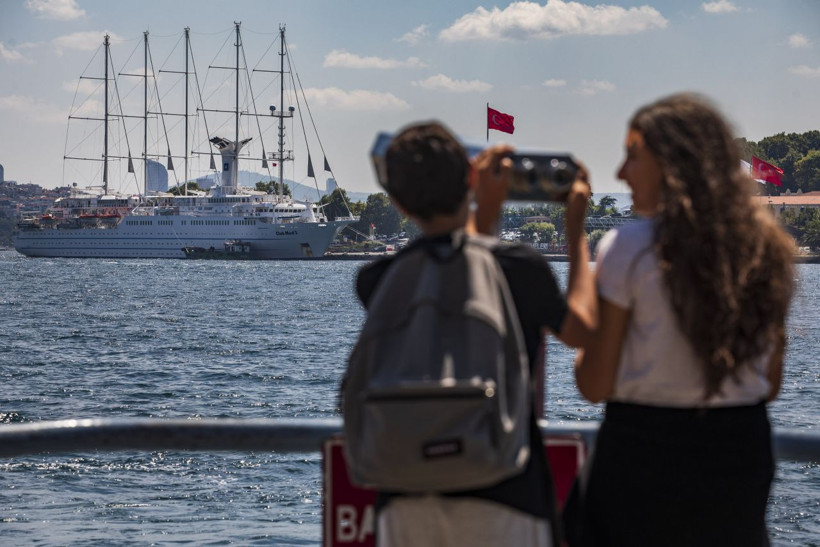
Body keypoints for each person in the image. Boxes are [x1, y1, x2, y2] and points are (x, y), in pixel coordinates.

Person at [565, 93, 794, 546]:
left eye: (633, 154)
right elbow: (769, 385)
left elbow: (593, 385)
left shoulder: (631, 247)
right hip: (740, 453)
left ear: (673, 162)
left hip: (643, 456)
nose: (620, 173)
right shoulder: (766, 249)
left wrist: (575, 236)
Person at [354, 121, 596, 547]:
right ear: (470, 178)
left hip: (405, 498)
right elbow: (580, 329)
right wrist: (575, 232)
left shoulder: (376, 280)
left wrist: (483, 214)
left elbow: (459, 267)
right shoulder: (521, 269)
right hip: (506, 491)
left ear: (396, 201)